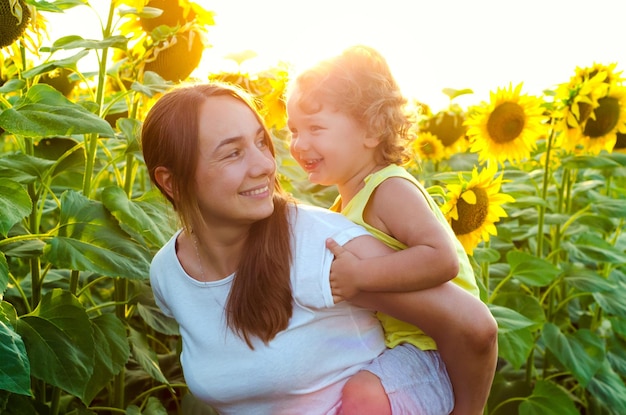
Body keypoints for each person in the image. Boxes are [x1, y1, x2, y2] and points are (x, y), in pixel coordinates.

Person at [141, 81, 403, 414]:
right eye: (233, 152)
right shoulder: (168, 274)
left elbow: (470, 327)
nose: (265, 165)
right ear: (171, 182)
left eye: (261, 142)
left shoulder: (326, 246)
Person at [287, 45, 498, 415]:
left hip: (435, 353)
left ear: (371, 130)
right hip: (398, 348)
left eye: (316, 128)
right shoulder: (343, 206)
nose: (300, 144)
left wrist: (360, 274)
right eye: (293, 131)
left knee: (363, 397)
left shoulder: (389, 189)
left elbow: (441, 259)